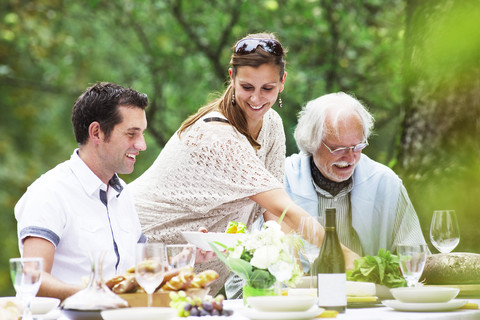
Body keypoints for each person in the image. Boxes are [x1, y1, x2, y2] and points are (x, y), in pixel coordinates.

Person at [130, 33, 360, 295]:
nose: (256, 99)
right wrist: (349, 259)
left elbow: (275, 217)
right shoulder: (216, 135)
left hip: (196, 277)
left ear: (282, 82)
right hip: (145, 250)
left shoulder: (271, 125)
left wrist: (292, 280)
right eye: (247, 87)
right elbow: (284, 208)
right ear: (232, 77)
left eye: (268, 89)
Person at [14, 82, 149, 301]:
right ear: (96, 132)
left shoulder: (123, 193)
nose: (141, 145)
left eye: (141, 133)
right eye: (131, 134)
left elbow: (139, 273)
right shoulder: (49, 192)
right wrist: (92, 295)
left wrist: (187, 261)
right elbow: (32, 277)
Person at [285, 92, 427, 259]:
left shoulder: (385, 183)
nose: (351, 158)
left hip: (369, 285)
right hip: (302, 286)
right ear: (311, 142)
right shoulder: (282, 180)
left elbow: (415, 257)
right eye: (338, 149)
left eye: (358, 146)